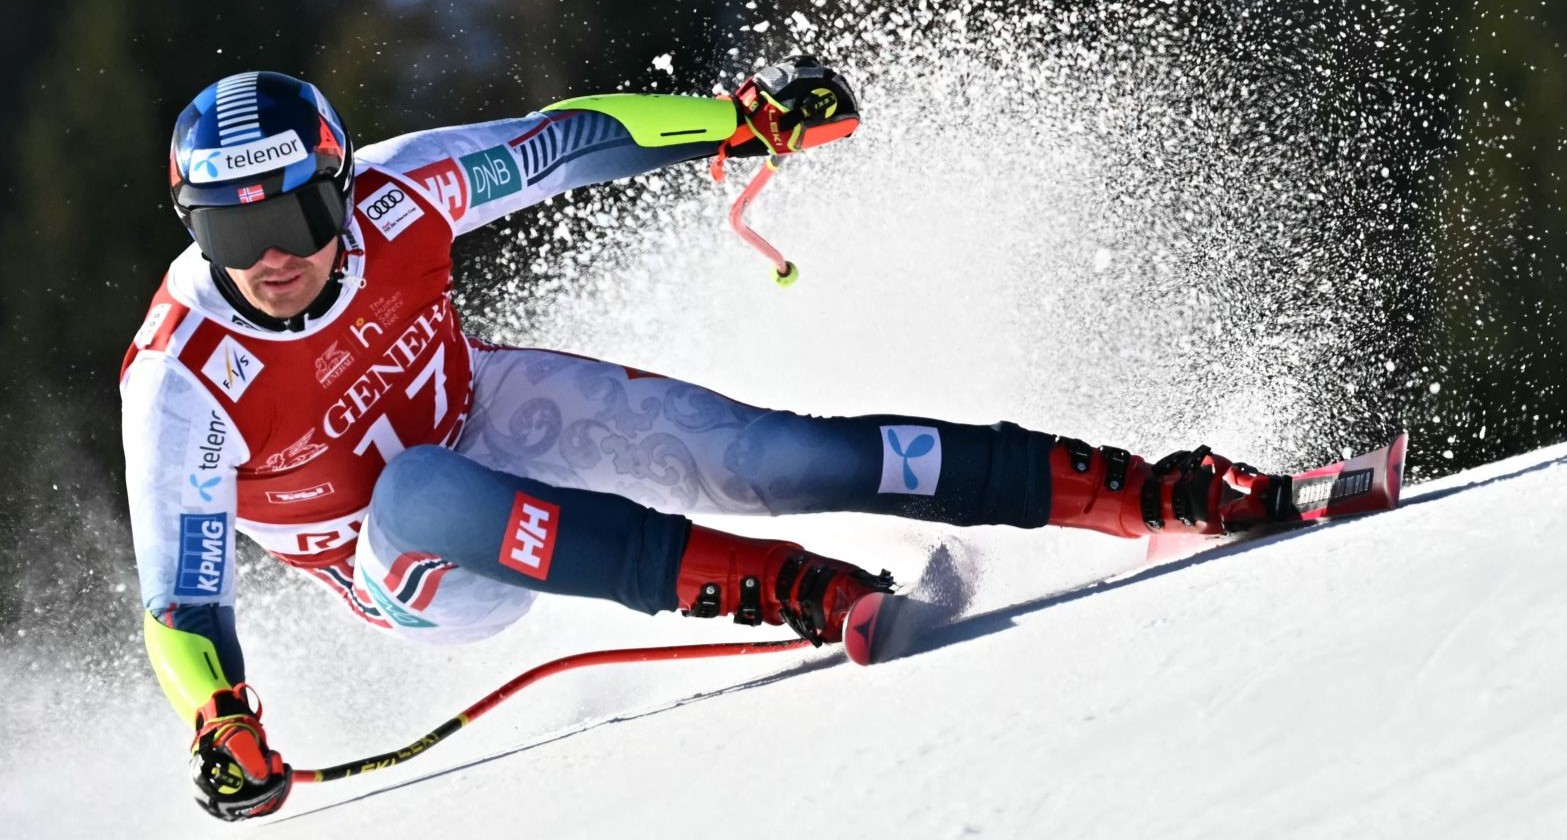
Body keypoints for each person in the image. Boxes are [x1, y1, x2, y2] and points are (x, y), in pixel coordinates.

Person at [122, 60, 1294, 821]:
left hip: (483, 409)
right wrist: (223, 719)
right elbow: (182, 600)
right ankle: (791, 588)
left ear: (339, 186)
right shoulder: (183, 374)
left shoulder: (401, 192)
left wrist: (740, 123)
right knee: (422, 490)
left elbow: (568, 141)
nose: (270, 258)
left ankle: (1151, 493)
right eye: (230, 231)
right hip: (412, 566)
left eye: (296, 217)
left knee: (770, 455)